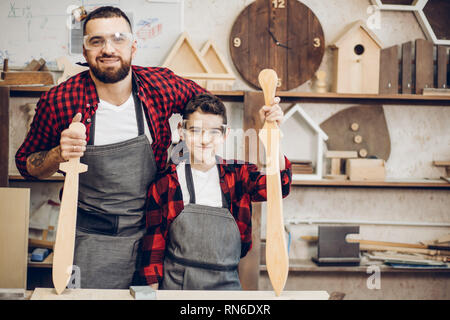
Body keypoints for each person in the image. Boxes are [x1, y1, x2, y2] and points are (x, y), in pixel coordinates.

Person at [15, 6, 207, 289]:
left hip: (155, 234)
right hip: (91, 239)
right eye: (97, 41)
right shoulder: (60, 101)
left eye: (118, 39)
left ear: (133, 46)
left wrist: (186, 143)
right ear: (84, 51)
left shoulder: (160, 86)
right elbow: (27, 165)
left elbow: (207, 107)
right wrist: (58, 154)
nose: (108, 49)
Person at [140, 93, 292, 290]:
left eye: (214, 132)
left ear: (225, 134)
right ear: (182, 131)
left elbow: (279, 186)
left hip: (226, 285)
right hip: (176, 288)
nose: (204, 140)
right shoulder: (166, 183)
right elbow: (153, 251)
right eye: (195, 130)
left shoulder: (238, 175)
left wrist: (273, 134)